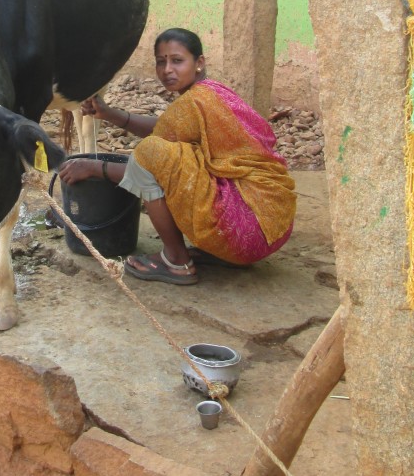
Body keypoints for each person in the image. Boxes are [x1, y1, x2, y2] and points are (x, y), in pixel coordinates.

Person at [56, 28, 296, 284]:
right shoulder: (212, 92)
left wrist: (94, 168)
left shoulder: (194, 101)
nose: (167, 70)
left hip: (245, 230)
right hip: (272, 225)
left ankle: (176, 261)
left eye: (177, 61)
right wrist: (110, 114)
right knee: (171, 154)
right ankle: (221, 253)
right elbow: (165, 128)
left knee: (149, 152)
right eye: (161, 62)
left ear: (199, 62)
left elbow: (151, 157)